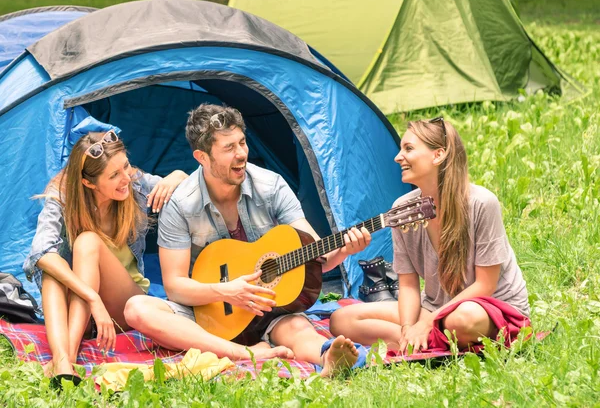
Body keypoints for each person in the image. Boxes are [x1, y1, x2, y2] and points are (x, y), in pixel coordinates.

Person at [124, 104, 371, 377]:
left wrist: (343, 252)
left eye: (242, 142)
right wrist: (227, 292)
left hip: (267, 309)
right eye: (229, 148)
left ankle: (329, 358)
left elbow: (315, 256)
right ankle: (246, 353)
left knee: (298, 329)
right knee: (137, 309)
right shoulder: (181, 204)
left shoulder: (271, 186)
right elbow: (175, 287)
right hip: (207, 312)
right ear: (202, 157)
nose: (241, 154)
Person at [329, 117, 530, 353]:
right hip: (435, 306)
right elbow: (409, 286)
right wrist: (407, 326)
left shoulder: (482, 203)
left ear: (438, 155)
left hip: (489, 307)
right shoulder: (401, 209)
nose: (397, 157)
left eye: (409, 149)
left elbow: (485, 285)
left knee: (462, 320)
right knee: (341, 320)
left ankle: (428, 338)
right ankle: (415, 341)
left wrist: (427, 321)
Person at [23, 130, 188, 383]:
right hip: (86, 310)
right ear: (89, 183)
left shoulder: (136, 185)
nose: (126, 178)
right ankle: (63, 362)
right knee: (51, 270)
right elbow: (41, 253)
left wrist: (177, 175)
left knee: (87, 242)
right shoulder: (63, 196)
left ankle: (66, 357)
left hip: (125, 304)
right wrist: (91, 297)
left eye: (126, 166)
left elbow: (190, 188)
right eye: (114, 175)